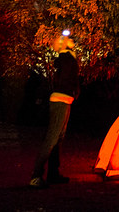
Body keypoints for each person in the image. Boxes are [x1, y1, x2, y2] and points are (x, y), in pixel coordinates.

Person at [29, 31, 80, 189]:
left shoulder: (68, 57)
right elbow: (65, 77)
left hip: (64, 99)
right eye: (67, 39)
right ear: (62, 44)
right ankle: (36, 176)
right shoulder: (65, 58)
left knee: (58, 138)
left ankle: (53, 174)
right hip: (59, 100)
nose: (71, 40)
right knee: (52, 138)